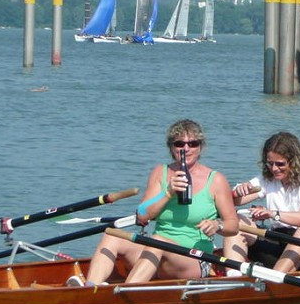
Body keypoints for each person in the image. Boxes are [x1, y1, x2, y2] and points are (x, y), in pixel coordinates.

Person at [84, 119, 238, 284]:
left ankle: (126, 294)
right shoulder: (160, 172)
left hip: (193, 259)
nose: (186, 148)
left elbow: (233, 225)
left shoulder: (216, 180)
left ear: (201, 147)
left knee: (157, 241)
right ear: (172, 148)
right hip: (155, 251)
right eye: (180, 143)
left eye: (193, 143)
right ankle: (89, 289)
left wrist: (217, 225)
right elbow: (142, 216)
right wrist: (168, 193)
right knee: (112, 235)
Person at [223, 131, 300, 274]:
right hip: (278, 242)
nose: (274, 169)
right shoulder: (268, 178)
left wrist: (273, 214)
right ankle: (234, 278)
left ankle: (271, 281)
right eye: (270, 163)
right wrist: (238, 192)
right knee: (236, 221)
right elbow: (235, 202)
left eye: (280, 164)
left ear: (294, 161)